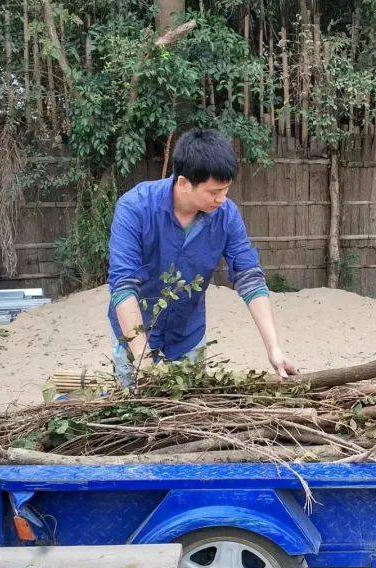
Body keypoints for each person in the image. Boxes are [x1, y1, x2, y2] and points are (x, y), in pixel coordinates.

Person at [107, 129, 297, 385]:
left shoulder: (227, 215)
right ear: (184, 183)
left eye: (226, 190)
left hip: (188, 333)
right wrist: (143, 359)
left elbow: (249, 278)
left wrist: (274, 349)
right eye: (214, 192)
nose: (222, 199)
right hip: (135, 337)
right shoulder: (135, 208)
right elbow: (123, 286)